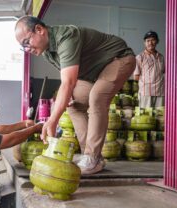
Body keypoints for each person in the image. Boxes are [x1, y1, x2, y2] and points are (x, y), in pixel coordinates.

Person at [15, 16, 136, 175]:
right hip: (94, 73)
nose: (27, 49)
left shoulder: (66, 36)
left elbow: (68, 83)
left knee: (97, 98)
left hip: (119, 59)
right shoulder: (47, 52)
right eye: (23, 47)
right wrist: (67, 97)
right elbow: (67, 77)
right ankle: (92, 157)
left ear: (39, 30)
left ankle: (92, 157)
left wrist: (52, 120)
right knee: (73, 105)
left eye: (26, 42)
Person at [134, 30, 165, 108]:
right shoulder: (139, 57)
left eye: (153, 40)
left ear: (157, 41)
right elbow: (136, 77)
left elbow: (163, 72)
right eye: (148, 41)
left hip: (160, 92)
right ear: (145, 43)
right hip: (146, 93)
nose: (150, 43)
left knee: (159, 116)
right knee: (146, 116)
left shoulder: (161, 57)